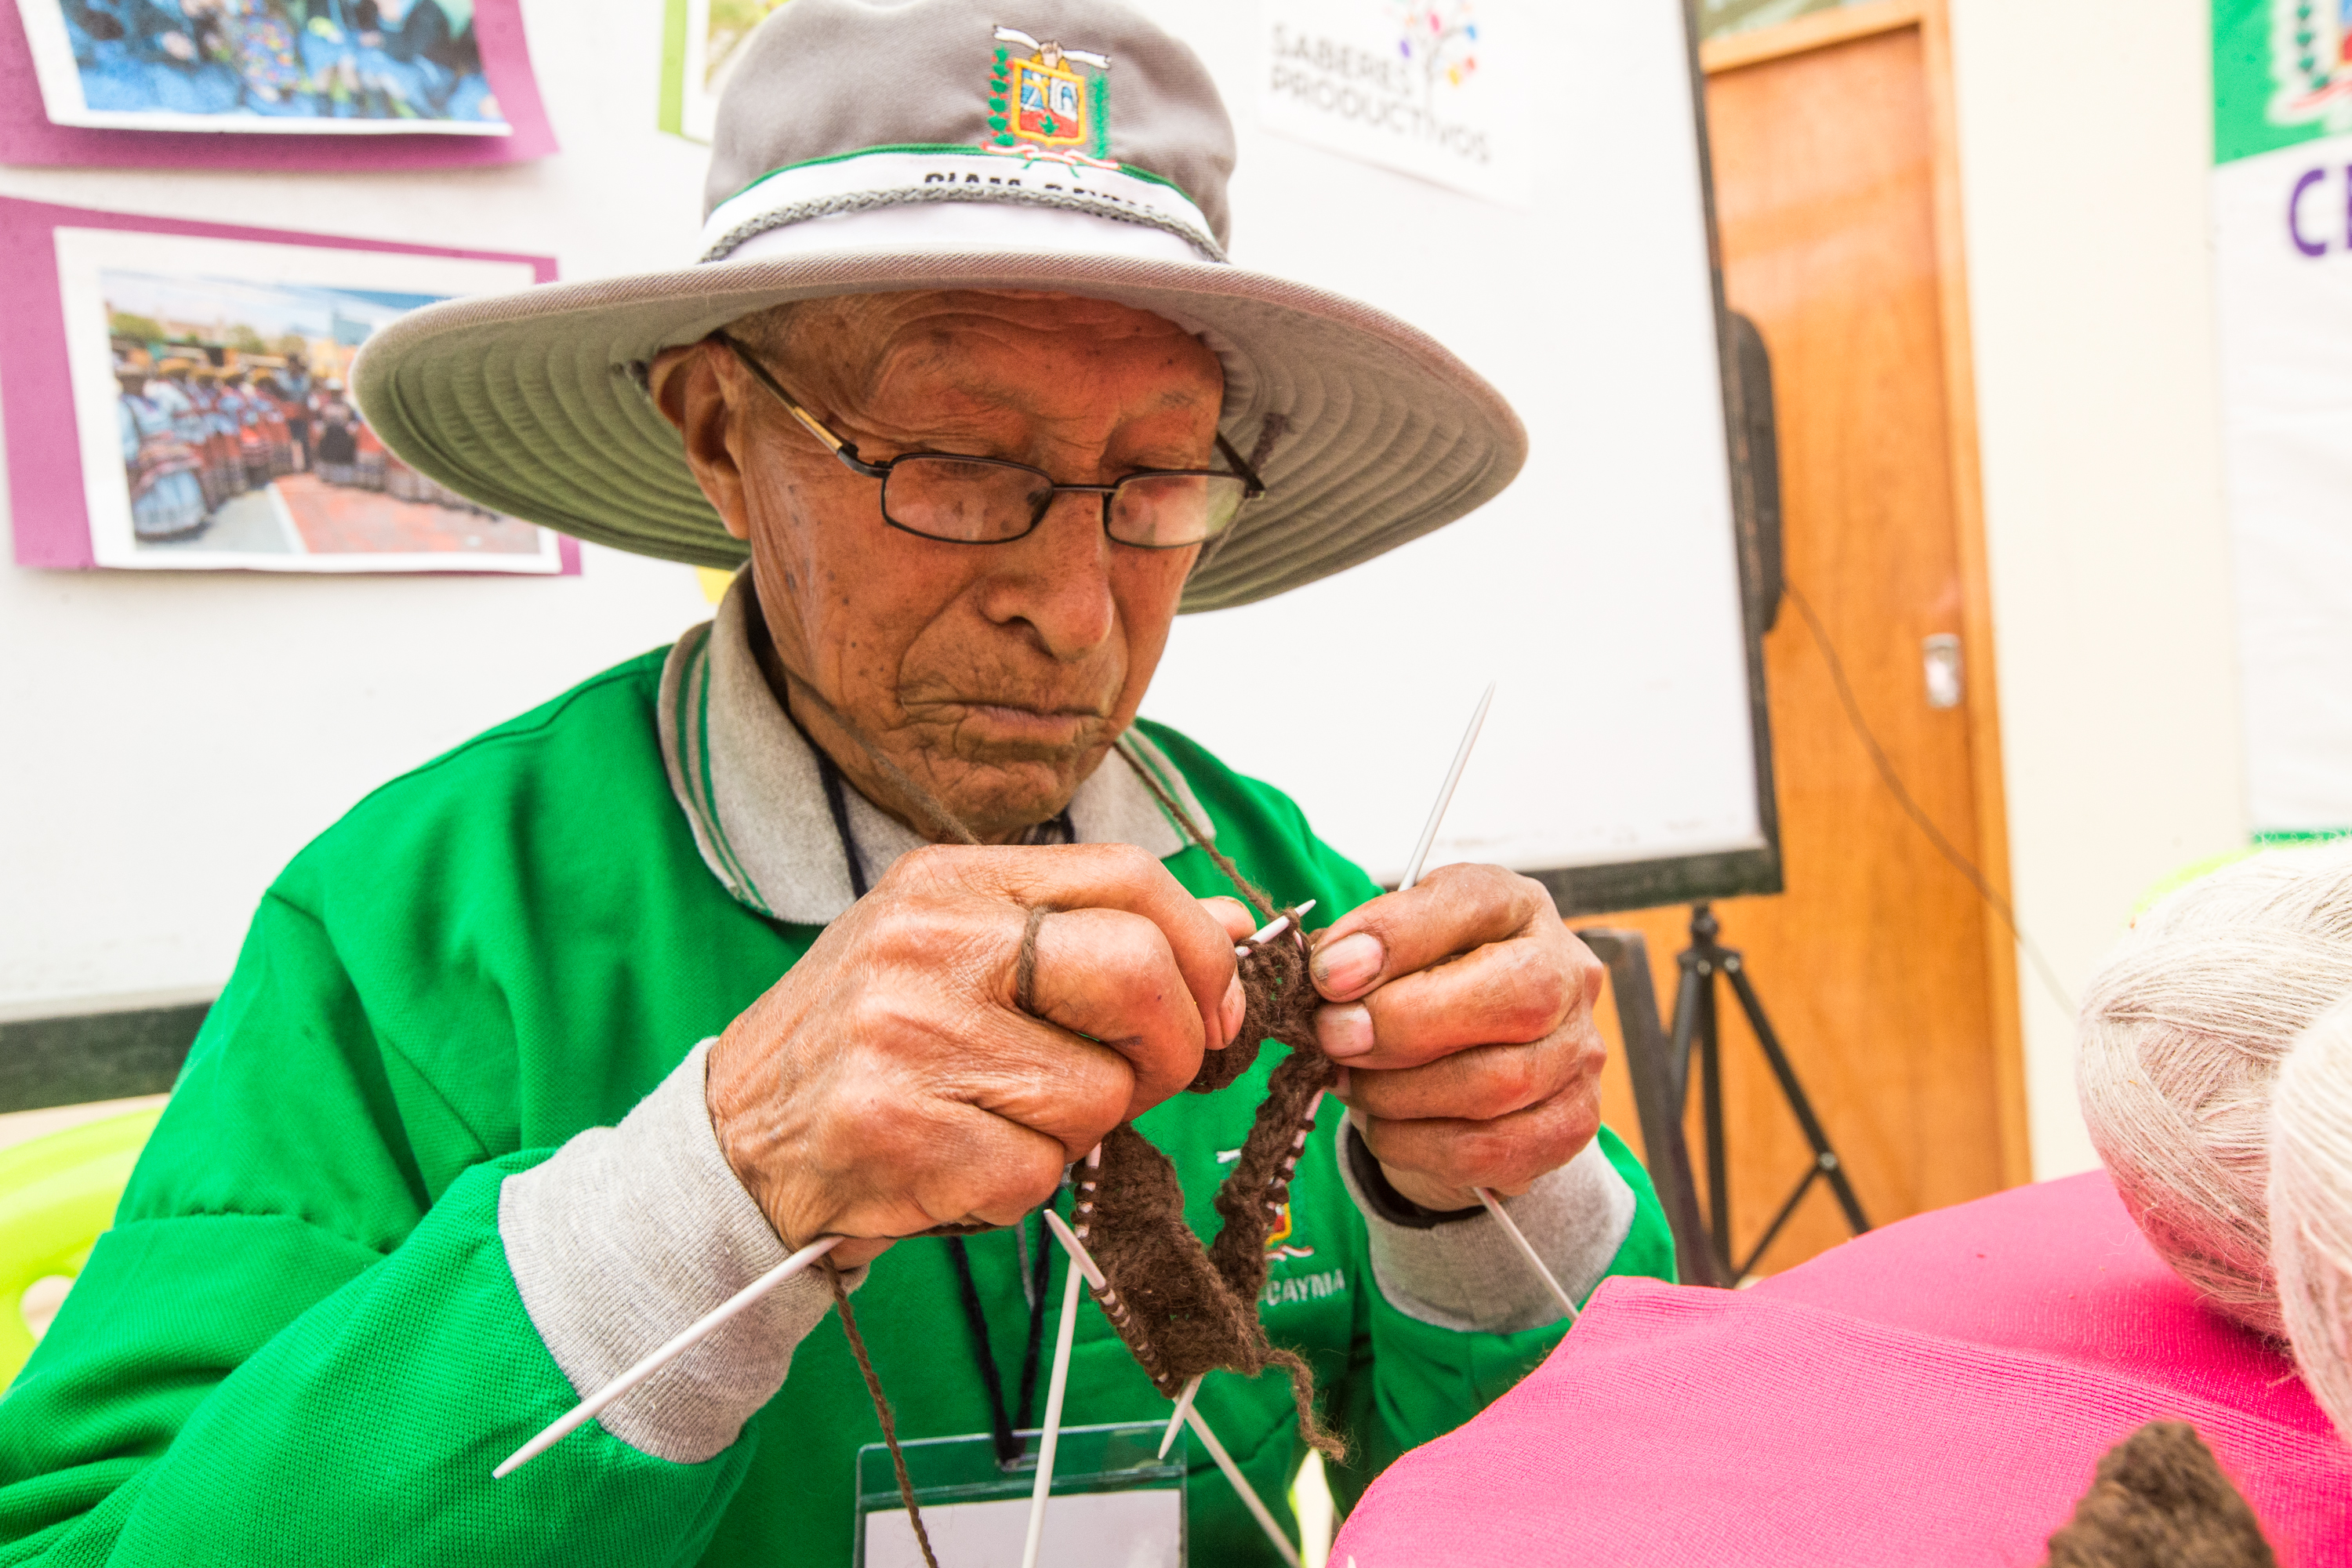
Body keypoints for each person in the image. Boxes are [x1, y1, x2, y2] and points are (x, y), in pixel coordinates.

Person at [0, 3, 1673, 1563]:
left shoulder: (1267, 874)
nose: (1077, 608)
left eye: (1156, 479)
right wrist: (708, 1190)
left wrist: (1479, 1197)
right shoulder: (419, 931)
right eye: (957, 465)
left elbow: (1583, 1505)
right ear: (720, 434)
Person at [114, 362, 208, 541]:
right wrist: (132, 457)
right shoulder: (124, 406)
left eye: (140, 381)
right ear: (124, 383)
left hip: (170, 448)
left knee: (179, 481)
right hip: (149, 452)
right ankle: (159, 527)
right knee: (158, 486)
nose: (137, 385)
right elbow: (126, 435)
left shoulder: (153, 402)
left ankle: (183, 521)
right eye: (132, 381)